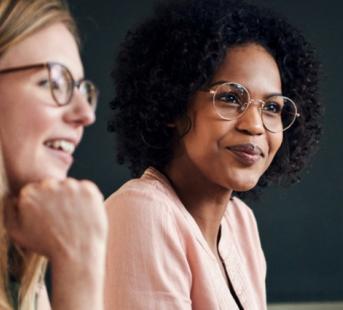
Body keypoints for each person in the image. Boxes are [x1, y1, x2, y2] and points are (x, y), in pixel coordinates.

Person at [105, 0, 323, 308]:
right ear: (174, 103)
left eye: (272, 107)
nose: (255, 125)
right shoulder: (142, 211)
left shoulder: (240, 222)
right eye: (231, 97)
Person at [0, 0, 107, 309]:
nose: (85, 114)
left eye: (81, 90)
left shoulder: (22, 263)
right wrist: (79, 262)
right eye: (53, 82)